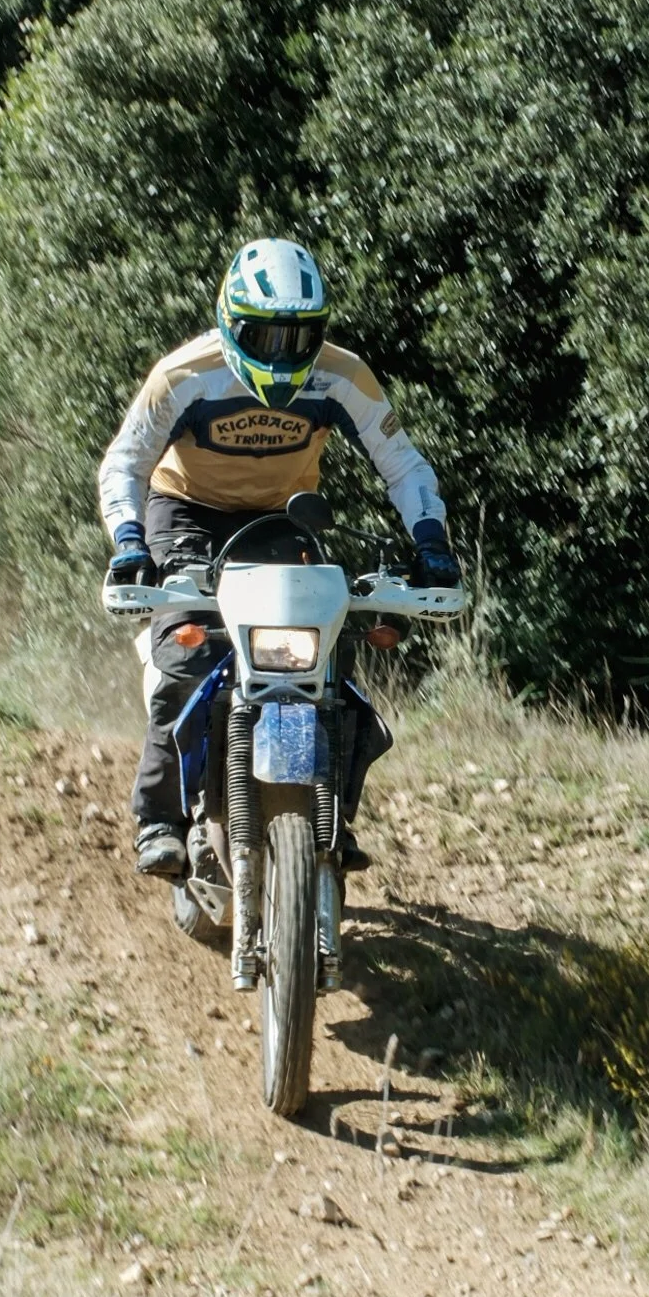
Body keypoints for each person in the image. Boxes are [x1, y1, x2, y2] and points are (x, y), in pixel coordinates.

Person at [99, 237, 459, 878]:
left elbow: (401, 462)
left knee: (327, 657)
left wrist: (432, 543)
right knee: (187, 652)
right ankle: (158, 815)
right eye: (265, 337)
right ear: (230, 323)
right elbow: (126, 460)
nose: (283, 353)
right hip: (186, 513)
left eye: (299, 337)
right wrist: (129, 541)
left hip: (280, 516)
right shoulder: (185, 375)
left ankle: (332, 819)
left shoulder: (342, 376)